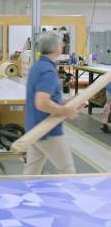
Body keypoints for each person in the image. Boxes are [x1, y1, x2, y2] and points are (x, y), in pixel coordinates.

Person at [23, 31, 82, 175]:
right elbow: (42, 103)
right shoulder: (48, 70)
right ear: (56, 47)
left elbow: (46, 98)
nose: (62, 45)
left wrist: (68, 103)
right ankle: (69, 197)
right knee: (67, 170)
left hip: (34, 127)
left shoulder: (37, 66)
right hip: (48, 129)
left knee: (32, 170)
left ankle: (24, 195)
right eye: (61, 43)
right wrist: (67, 111)